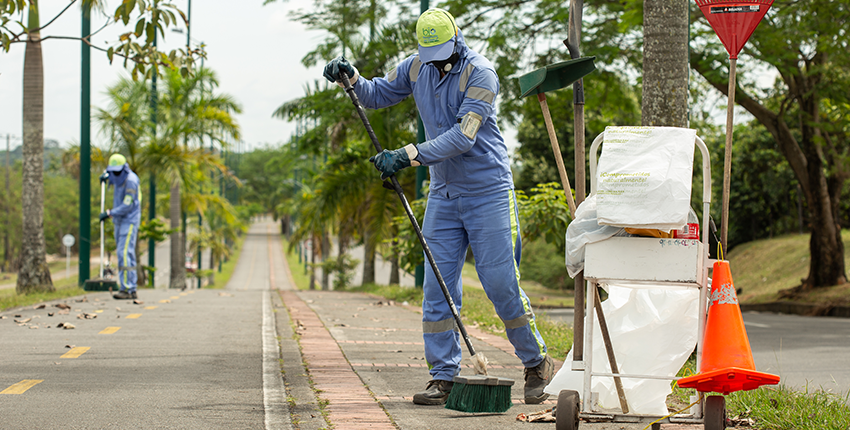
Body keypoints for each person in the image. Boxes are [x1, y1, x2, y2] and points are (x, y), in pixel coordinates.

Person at [323, 8, 553, 406]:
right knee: (438, 288)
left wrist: (409, 154)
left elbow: (463, 137)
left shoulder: (481, 73)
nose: (436, 62)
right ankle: (443, 375)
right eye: (429, 54)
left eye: (442, 53)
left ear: (456, 40)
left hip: (489, 193)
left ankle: (536, 362)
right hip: (444, 194)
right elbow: (377, 94)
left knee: (500, 284)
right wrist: (353, 79)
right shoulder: (416, 66)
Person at [99, 154, 142, 300]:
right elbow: (111, 178)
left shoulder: (131, 180)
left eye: (117, 172)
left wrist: (110, 213)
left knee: (124, 253)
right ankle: (129, 287)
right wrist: (105, 179)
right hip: (118, 220)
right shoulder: (115, 176)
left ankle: (128, 288)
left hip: (129, 220)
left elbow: (127, 205)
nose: (115, 174)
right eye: (113, 172)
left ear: (124, 168)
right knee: (125, 253)